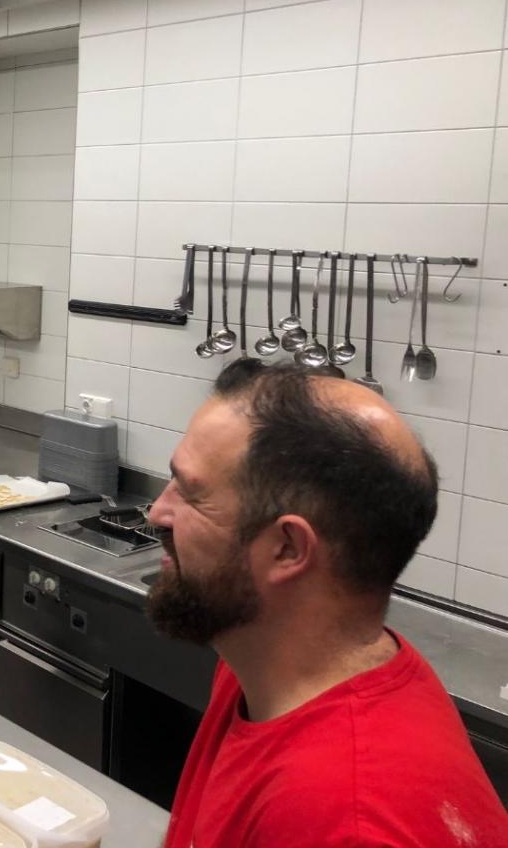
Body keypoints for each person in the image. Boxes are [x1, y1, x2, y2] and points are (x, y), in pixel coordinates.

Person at [148, 360, 507, 848]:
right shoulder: (258, 664)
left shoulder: (347, 822)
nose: (157, 512)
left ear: (287, 549)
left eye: (191, 495)